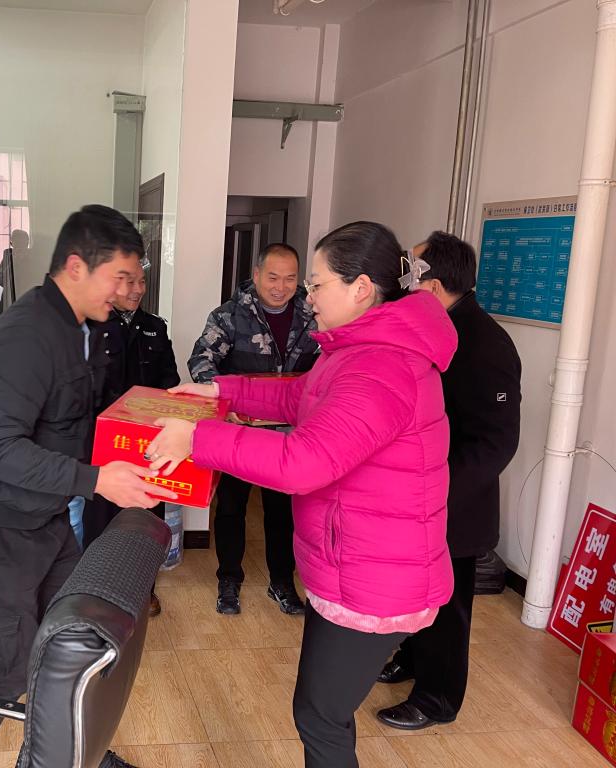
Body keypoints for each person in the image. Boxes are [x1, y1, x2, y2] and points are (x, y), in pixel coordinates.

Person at [146, 221, 458, 768]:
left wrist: (198, 438)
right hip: (354, 561)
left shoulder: (380, 366)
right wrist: (219, 389)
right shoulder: (359, 349)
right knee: (322, 711)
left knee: (320, 716)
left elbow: (302, 462)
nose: (306, 296)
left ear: (361, 288)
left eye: (315, 283)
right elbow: (300, 398)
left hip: (374, 576)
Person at [0, 204, 177, 768]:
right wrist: (97, 479)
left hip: (42, 517)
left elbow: (72, 423)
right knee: (3, 671)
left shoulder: (82, 330)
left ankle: (71, 754)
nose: (127, 291)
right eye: (119, 277)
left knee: (77, 647)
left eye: (133, 278)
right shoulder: (27, 337)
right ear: (76, 266)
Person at [376, 231, 521, 730]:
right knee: (420, 595)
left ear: (434, 286)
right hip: (423, 495)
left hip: (454, 505)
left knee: (448, 605)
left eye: (411, 275)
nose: (402, 284)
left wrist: (437, 491)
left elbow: (496, 443)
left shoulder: (485, 344)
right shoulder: (434, 329)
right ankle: (412, 661)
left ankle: (438, 699)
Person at [187, 243, 320, 616]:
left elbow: (330, 366)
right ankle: (229, 580)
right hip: (240, 431)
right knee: (232, 507)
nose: (281, 287)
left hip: (290, 435)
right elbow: (201, 360)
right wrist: (227, 406)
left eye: (290, 279)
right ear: (257, 274)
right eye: (273, 277)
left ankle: (282, 582)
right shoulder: (229, 315)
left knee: (283, 512)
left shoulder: (314, 314)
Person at [83, 256, 180, 615]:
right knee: (101, 517)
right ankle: (95, 590)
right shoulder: (91, 326)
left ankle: (143, 590)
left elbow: (170, 383)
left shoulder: (154, 327)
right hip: (104, 442)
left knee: (147, 516)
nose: (138, 290)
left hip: (149, 443)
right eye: (129, 282)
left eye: (142, 282)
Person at [0, 228, 29, 317]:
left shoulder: (31, 258)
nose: (19, 246)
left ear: (27, 243)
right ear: (12, 243)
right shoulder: (8, 257)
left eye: (21, 242)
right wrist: (13, 262)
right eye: (16, 242)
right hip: (9, 300)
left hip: (26, 300)